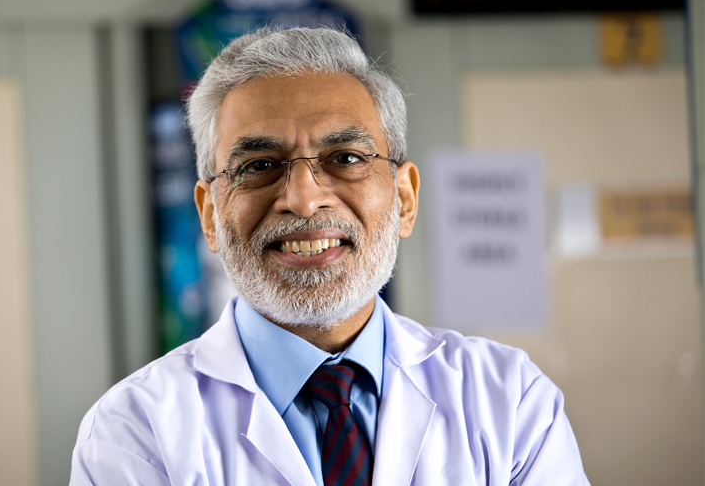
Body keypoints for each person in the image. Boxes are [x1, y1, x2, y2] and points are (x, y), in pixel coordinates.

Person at [70, 26, 589, 486]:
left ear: (405, 199)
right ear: (208, 215)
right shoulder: (133, 432)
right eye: (258, 165)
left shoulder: (510, 403)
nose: (302, 198)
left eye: (345, 159)